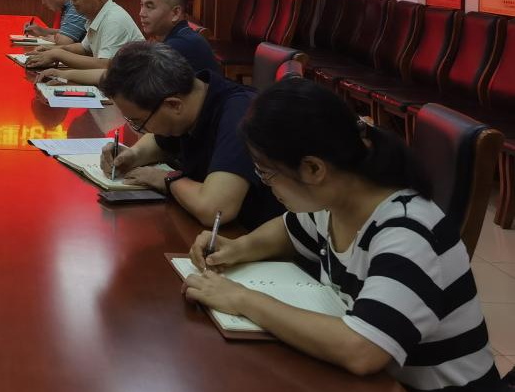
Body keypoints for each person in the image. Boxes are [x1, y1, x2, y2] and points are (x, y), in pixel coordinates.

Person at [182, 78, 499, 390]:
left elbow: (362, 350)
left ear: (313, 169)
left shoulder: (407, 233)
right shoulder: (335, 201)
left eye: (266, 173)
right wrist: (238, 248)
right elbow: (289, 231)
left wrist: (242, 298)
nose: (267, 185)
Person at [98, 42, 283, 229]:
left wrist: (165, 179)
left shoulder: (240, 115)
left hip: (251, 234)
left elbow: (214, 209)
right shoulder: (193, 98)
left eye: (138, 122)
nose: (141, 129)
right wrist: (133, 155)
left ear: (174, 105)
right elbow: (159, 141)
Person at [30, 0, 143, 86]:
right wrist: (51, 50)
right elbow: (84, 48)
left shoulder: (114, 19)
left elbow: (105, 65)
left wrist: (58, 54)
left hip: (133, 89)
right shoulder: (94, 15)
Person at [138, 0, 221, 75]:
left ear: (176, 13)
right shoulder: (180, 35)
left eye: (149, 6)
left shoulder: (179, 46)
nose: (141, 13)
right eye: (141, 5)